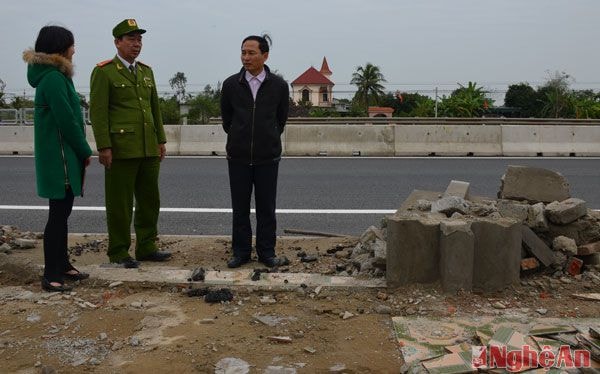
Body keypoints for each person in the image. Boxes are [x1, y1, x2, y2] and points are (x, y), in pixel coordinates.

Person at [90, 19, 170, 268]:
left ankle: (147, 246)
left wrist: (160, 140)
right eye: (131, 39)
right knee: (120, 204)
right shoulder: (104, 71)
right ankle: (118, 252)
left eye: (139, 39)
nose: (137, 44)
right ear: (117, 42)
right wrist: (104, 146)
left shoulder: (146, 71)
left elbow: (154, 108)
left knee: (149, 201)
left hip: (148, 147)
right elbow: (98, 112)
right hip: (121, 149)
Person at [23, 25, 93, 292]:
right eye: (71, 45)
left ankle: (62, 264)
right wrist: (85, 150)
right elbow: (67, 120)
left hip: (63, 157)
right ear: (60, 48)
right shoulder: (53, 78)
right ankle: (50, 274)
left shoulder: (55, 76)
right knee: (57, 216)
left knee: (62, 215)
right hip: (60, 159)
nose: (74, 50)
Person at [220, 34, 289, 268]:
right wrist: (240, 137)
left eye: (251, 53)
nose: (246, 58)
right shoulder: (230, 85)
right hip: (238, 157)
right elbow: (227, 121)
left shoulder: (279, 86)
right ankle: (240, 252)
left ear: (265, 55)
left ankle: (266, 252)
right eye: (243, 53)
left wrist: (267, 137)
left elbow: (281, 120)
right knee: (239, 208)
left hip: (267, 157)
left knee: (266, 208)